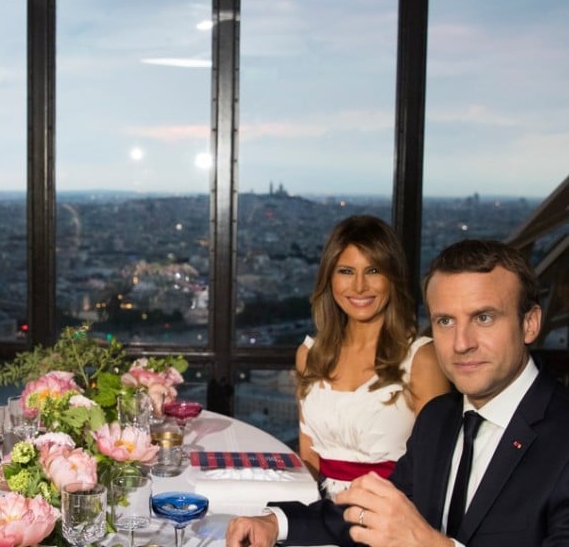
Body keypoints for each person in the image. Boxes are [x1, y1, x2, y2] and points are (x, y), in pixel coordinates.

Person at [226, 238, 569, 547]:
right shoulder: (440, 417)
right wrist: (277, 523)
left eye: (483, 318)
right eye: (445, 321)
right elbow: (378, 514)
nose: (461, 344)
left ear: (530, 324)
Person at [296, 215, 449, 498]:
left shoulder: (422, 360)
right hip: (317, 517)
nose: (358, 287)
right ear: (328, 278)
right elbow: (309, 458)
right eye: (345, 271)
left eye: (373, 271)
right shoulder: (310, 355)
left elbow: (434, 471)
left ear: (393, 277)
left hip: (392, 519)